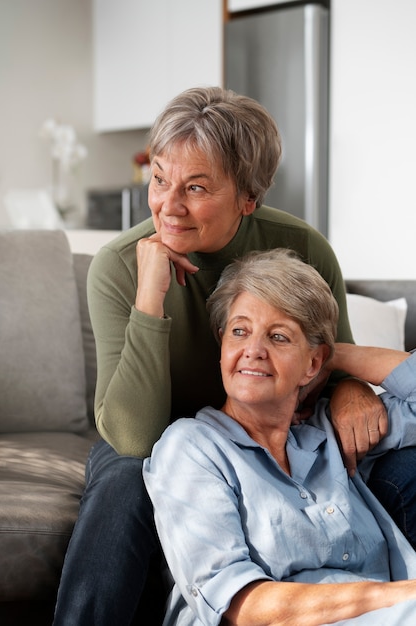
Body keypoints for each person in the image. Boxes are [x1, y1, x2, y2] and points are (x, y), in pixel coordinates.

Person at [52, 86, 410, 625]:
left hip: (282, 423)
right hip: (164, 428)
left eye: (195, 188)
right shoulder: (120, 265)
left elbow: (329, 355)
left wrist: (351, 390)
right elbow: (132, 435)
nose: (168, 207)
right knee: (126, 480)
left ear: (248, 197)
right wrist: (150, 296)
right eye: (159, 180)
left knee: (401, 460)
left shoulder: (304, 248)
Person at [143, 248, 416, 626]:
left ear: (313, 363)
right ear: (222, 348)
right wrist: (399, 595)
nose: (253, 350)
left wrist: (340, 357)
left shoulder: (332, 433)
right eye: (239, 331)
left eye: (278, 337)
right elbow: (242, 605)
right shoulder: (191, 447)